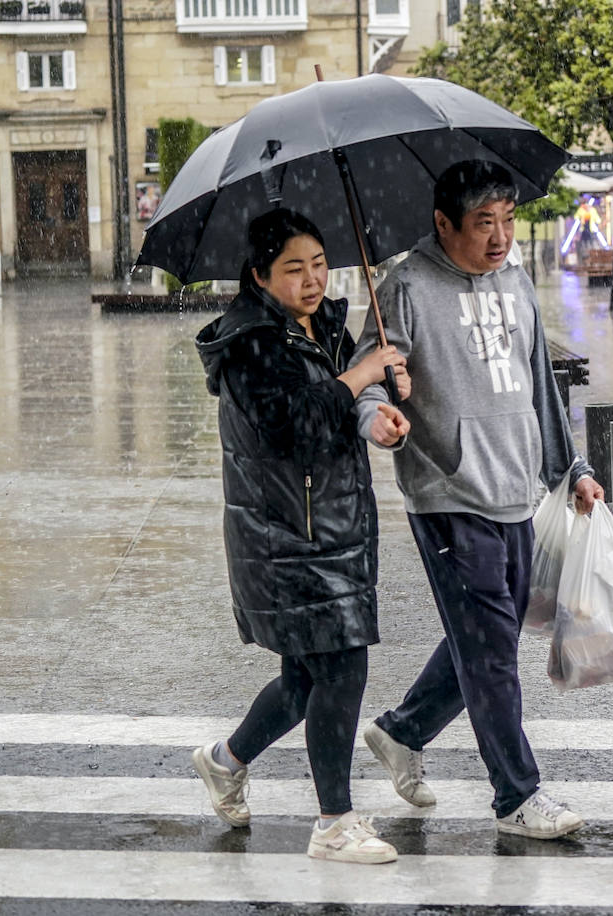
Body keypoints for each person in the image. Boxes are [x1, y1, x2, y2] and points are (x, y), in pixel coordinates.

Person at [350, 160, 604, 839]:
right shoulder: (403, 287)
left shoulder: (517, 281)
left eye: (508, 221)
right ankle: (517, 795)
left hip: (517, 490)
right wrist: (374, 414)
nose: (499, 238)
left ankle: (404, 731)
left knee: (484, 636)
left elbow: (539, 388)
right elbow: (366, 376)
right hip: (448, 494)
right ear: (443, 224)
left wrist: (571, 466)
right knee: (491, 650)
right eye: (483, 223)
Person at [192, 208, 412, 864]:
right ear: (260, 274)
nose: (313, 279)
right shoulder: (251, 342)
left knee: (302, 682)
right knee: (342, 667)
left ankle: (225, 760)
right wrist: (359, 376)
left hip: (335, 525)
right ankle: (334, 822)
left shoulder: (319, 324)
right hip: (286, 535)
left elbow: (347, 411)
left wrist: (379, 410)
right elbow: (292, 428)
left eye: (318, 263)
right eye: (294, 268)